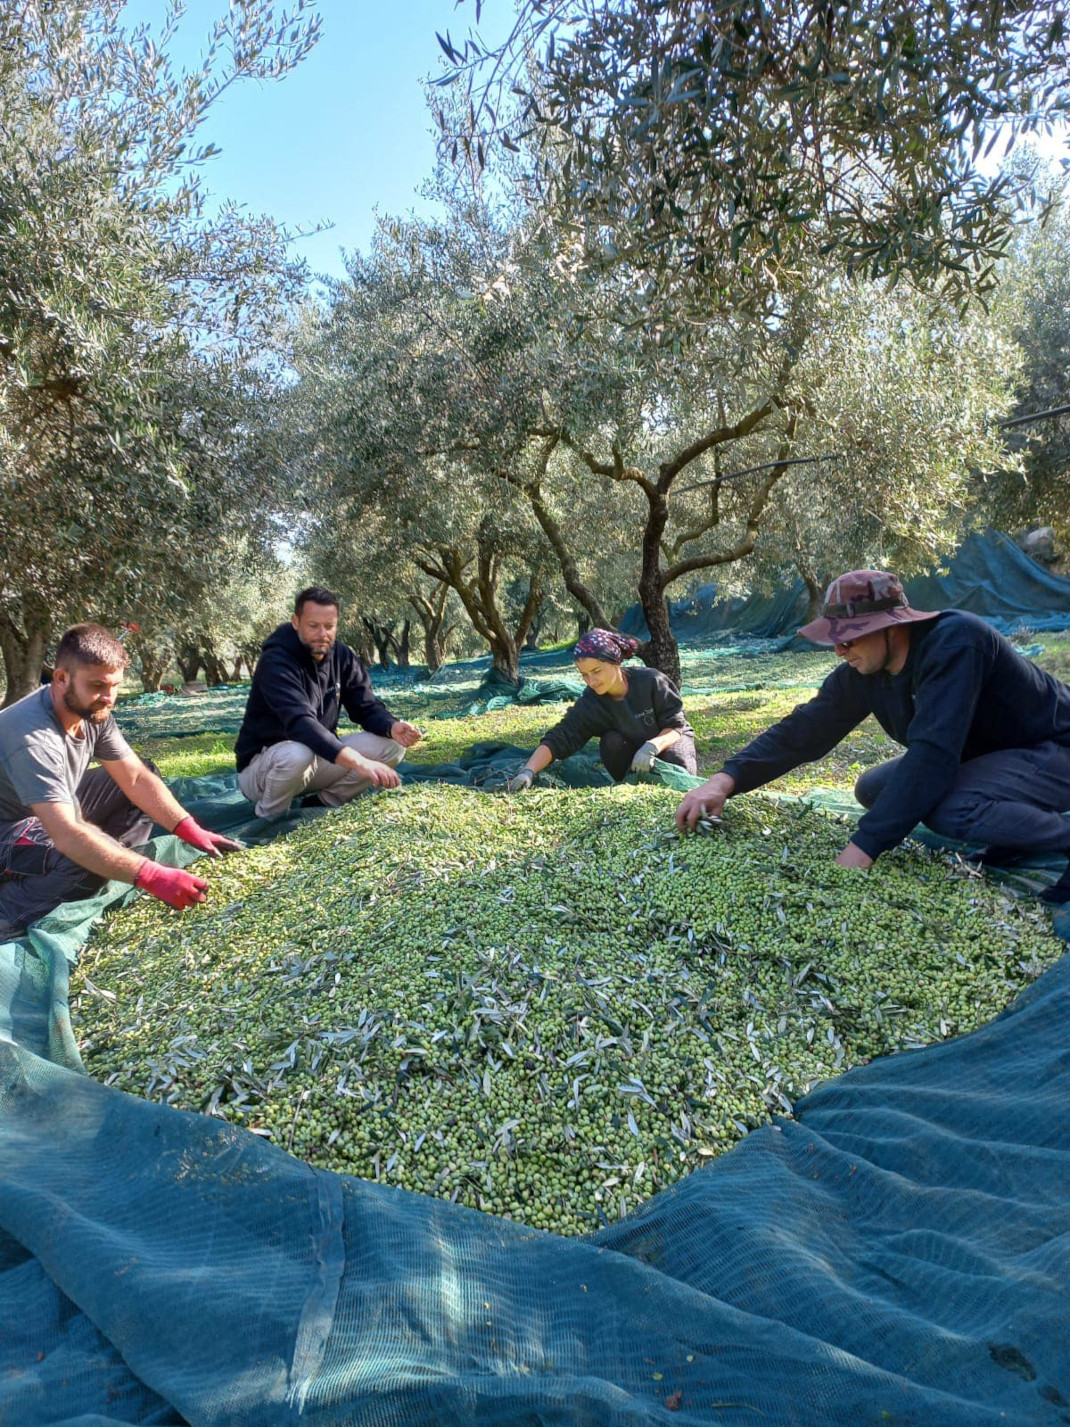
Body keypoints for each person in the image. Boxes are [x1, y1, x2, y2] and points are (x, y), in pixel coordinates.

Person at [675, 569, 1070, 903]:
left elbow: (933, 757)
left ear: (892, 626)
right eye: (835, 640)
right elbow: (804, 729)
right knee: (873, 789)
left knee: (948, 808)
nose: (840, 651)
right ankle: (1017, 835)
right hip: (987, 756)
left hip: (1050, 747)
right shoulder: (865, 672)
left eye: (849, 638)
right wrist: (724, 780)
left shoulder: (956, 643)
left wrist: (863, 848)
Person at [0, 624, 241, 939]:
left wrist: (187, 827)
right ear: (60, 678)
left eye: (115, 685)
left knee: (145, 775)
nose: (109, 698)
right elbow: (68, 834)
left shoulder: (93, 711)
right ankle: (10, 911)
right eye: (98, 685)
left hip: (38, 810)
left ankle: (108, 868)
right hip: (8, 827)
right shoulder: (32, 736)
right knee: (81, 856)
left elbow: (136, 778)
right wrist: (151, 875)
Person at [235, 586, 423, 818]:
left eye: (329, 626)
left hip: (315, 757)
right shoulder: (276, 660)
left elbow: (365, 706)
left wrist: (391, 726)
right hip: (264, 768)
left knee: (391, 745)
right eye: (313, 626)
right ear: (296, 622)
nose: (322, 634)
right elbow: (300, 724)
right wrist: (360, 763)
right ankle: (269, 818)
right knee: (297, 753)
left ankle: (323, 803)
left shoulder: (342, 656)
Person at [506, 629, 696, 791]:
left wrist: (651, 747)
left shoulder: (651, 681)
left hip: (669, 741)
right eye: (584, 675)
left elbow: (676, 726)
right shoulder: (591, 702)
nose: (591, 681)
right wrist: (528, 771)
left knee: (675, 757)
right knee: (610, 742)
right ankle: (629, 785)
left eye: (596, 671)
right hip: (631, 749)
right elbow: (561, 737)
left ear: (615, 663)